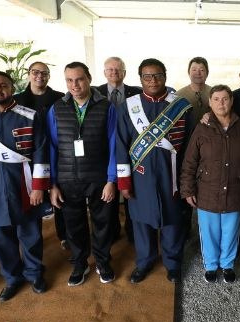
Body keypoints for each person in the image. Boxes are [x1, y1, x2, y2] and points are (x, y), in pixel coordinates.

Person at [0, 71, 50, 301]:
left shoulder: (30, 116)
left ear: (12, 88)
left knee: (31, 235)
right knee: (0, 238)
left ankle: (34, 273)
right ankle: (12, 278)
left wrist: (38, 187)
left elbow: (40, 152)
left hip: (24, 187)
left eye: (3, 85)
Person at [116, 58, 193, 284]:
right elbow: (120, 145)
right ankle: (145, 262)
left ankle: (172, 263)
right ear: (140, 79)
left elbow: (190, 147)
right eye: (147, 76)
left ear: (165, 76)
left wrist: (188, 180)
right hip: (140, 176)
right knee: (141, 221)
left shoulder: (181, 106)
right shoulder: (129, 107)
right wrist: (123, 182)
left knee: (173, 220)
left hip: (173, 175)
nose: (153, 80)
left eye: (157, 75)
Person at [180, 85, 240, 284]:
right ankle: (211, 265)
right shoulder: (202, 127)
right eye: (216, 99)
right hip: (207, 190)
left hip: (235, 190)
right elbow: (190, 162)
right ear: (210, 102)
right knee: (209, 231)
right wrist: (188, 189)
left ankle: (228, 264)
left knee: (231, 231)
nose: (221, 103)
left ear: (232, 101)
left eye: (225, 99)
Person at [48, 62, 118, 286]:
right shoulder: (56, 108)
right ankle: (80, 264)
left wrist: (111, 180)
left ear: (89, 78)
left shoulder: (107, 107)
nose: (74, 85)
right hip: (68, 179)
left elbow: (114, 144)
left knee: (103, 224)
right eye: (69, 80)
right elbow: (51, 147)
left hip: (99, 178)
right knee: (73, 225)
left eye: (79, 79)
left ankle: (103, 261)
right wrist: (53, 184)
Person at [13, 62, 68, 250]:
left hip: (57, 153)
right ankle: (32, 239)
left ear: (49, 76)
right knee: (32, 197)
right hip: (28, 156)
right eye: (35, 72)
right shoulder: (16, 100)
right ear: (28, 75)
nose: (39, 76)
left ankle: (64, 234)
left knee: (59, 194)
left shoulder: (60, 98)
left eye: (44, 73)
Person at [97, 56, 142, 244]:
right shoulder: (94, 92)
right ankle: (112, 232)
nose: (114, 72)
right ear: (104, 72)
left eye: (118, 69)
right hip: (103, 153)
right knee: (108, 198)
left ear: (124, 72)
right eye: (110, 69)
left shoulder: (137, 93)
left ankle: (132, 233)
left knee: (130, 193)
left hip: (131, 151)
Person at [176, 57, 212, 128]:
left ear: (207, 73)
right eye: (194, 70)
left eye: (201, 70)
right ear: (188, 72)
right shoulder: (178, 95)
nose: (198, 73)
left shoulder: (215, 93)